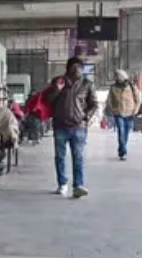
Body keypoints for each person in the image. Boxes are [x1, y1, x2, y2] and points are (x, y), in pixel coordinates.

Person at [45, 57, 99, 198]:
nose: (77, 70)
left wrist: (85, 116)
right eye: (74, 67)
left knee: (78, 157)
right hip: (60, 126)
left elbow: (94, 104)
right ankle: (62, 184)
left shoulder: (87, 84)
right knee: (60, 157)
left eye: (79, 67)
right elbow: (48, 100)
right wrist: (57, 89)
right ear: (68, 68)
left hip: (79, 126)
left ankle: (78, 186)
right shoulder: (58, 81)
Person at [105, 69, 141, 161]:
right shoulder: (113, 87)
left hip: (130, 113)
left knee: (126, 133)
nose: (116, 78)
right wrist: (113, 109)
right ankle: (123, 152)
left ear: (123, 77)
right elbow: (109, 100)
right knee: (121, 131)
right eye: (116, 76)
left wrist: (135, 110)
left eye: (118, 76)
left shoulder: (131, 86)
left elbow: (138, 99)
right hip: (118, 113)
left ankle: (121, 147)